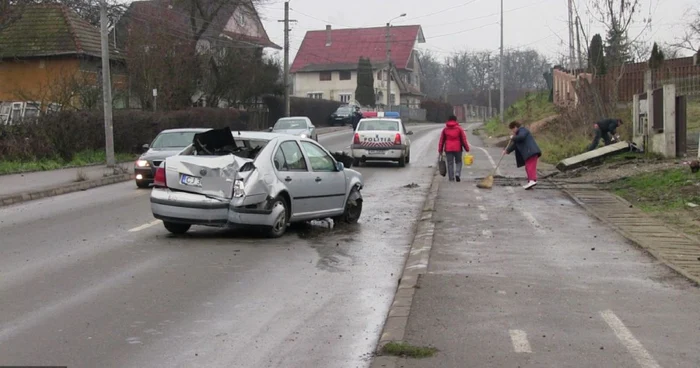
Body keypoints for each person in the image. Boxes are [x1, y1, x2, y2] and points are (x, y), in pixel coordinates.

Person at [504, 120, 541, 190]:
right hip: (529, 152)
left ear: (515, 127)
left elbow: (521, 137)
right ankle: (531, 181)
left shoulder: (523, 130)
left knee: (530, 166)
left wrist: (513, 137)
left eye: (512, 130)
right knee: (528, 167)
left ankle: (532, 180)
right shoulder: (518, 134)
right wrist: (507, 150)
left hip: (531, 152)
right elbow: (515, 145)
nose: (513, 132)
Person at [438, 115, 470, 182]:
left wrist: (440, 150)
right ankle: (457, 173)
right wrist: (467, 148)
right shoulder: (459, 129)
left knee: (450, 163)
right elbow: (463, 139)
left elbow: (441, 140)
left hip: (448, 149)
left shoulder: (445, 129)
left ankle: (451, 178)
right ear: (456, 120)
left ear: (448, 120)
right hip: (458, 148)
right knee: (459, 162)